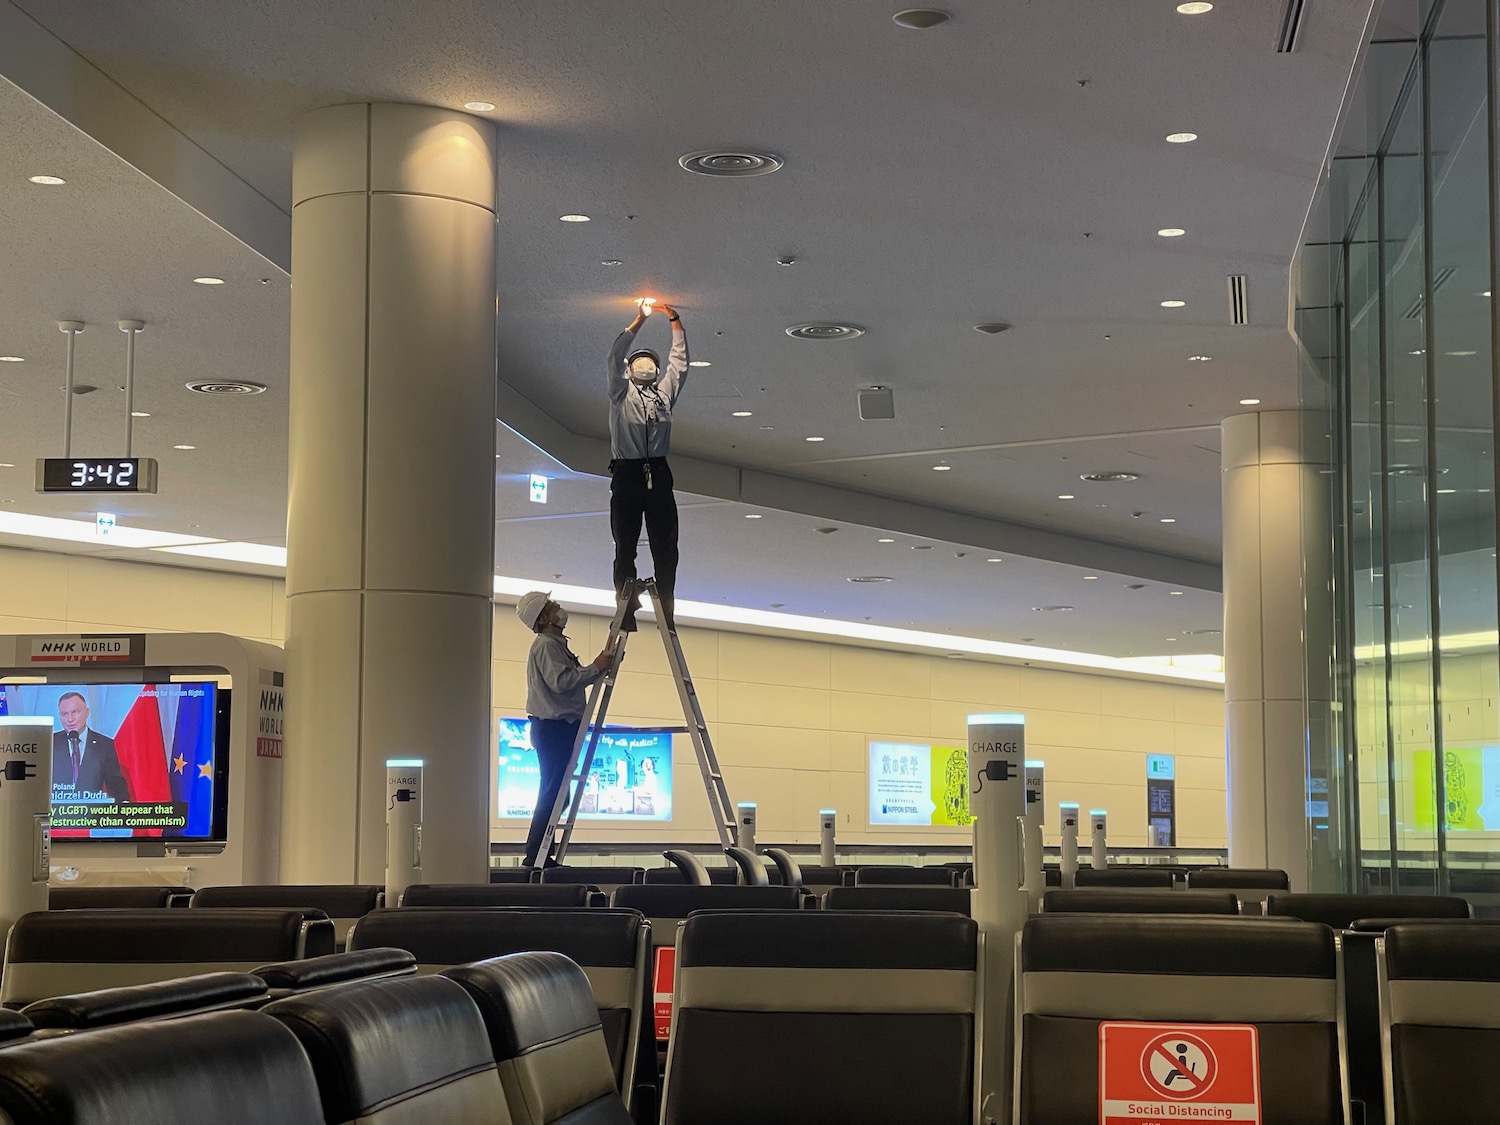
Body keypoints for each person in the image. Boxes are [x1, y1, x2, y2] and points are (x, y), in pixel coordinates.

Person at [515, 590, 616, 867]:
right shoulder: (546, 645)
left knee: (558, 791)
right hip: (554, 727)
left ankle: (541, 852)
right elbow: (562, 682)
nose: (558, 607)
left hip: (558, 727)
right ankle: (536, 855)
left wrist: (596, 668)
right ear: (545, 617)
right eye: (552, 606)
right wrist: (595, 667)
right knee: (553, 790)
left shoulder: (554, 645)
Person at [607, 298, 689, 629]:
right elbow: (613, 356)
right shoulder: (620, 394)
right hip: (627, 474)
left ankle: (666, 606)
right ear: (629, 369)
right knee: (625, 544)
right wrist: (639, 319)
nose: (646, 364)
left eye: (650, 361)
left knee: (665, 545)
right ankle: (625, 609)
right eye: (639, 360)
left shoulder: (663, 395)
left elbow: (680, 364)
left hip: (658, 472)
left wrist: (675, 321)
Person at [51, 691, 129, 803]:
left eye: (75, 712)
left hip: (92, 816)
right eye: (64, 714)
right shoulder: (51, 743)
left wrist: (125, 810)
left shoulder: (104, 745)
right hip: (58, 815)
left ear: (87, 712)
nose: (70, 719)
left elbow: (116, 786)